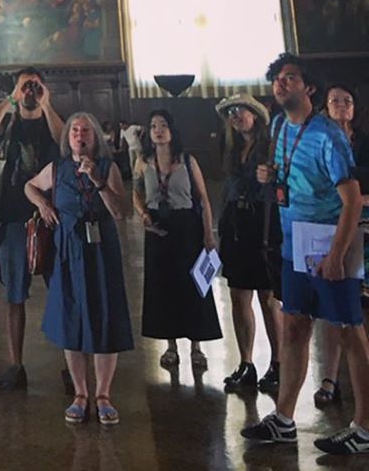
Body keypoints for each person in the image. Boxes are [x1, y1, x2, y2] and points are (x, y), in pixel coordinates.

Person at [241, 53, 369, 454]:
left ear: (308, 88)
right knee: (294, 325)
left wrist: (336, 254)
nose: (281, 84)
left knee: (349, 330)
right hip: (295, 243)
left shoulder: (328, 134)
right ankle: (284, 419)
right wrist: (269, 175)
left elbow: (351, 202)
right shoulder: (278, 126)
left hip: (331, 243)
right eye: (278, 79)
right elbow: (287, 177)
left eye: (290, 78)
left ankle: (364, 426)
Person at [25, 111, 132, 427]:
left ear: (95, 136)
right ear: (67, 137)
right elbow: (29, 186)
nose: (79, 134)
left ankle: (103, 394)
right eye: (74, 130)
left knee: (104, 316)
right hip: (68, 251)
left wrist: (98, 180)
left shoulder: (108, 168)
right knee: (71, 317)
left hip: (101, 252)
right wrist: (42, 204)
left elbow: (120, 212)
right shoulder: (57, 169)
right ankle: (80, 393)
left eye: (86, 130)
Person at [0, 67, 64, 390]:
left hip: (52, 216)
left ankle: (71, 363)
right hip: (13, 217)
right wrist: (10, 101)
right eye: (24, 86)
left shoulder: (50, 119)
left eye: (35, 85)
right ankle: (16, 364)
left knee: (61, 290)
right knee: (15, 294)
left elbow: (63, 139)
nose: (30, 91)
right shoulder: (10, 121)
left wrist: (47, 103)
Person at [133, 109, 221, 370]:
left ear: (172, 130)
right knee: (163, 287)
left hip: (187, 228)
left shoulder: (187, 160)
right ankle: (170, 346)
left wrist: (208, 233)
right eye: (153, 126)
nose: (158, 130)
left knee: (193, 286)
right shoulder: (142, 160)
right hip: (158, 228)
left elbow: (203, 199)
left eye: (163, 125)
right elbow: (136, 193)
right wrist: (144, 214)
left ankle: (196, 346)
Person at [213, 94, 282, 395]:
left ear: (256, 115)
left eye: (241, 111)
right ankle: (246, 363)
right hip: (236, 225)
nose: (236, 116)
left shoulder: (270, 146)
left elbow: (284, 183)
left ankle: (278, 364)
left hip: (263, 225)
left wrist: (273, 177)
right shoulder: (232, 149)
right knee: (238, 295)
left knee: (267, 298)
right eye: (231, 113)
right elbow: (227, 189)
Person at [314, 83, 369, 407]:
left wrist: (357, 200)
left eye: (347, 101)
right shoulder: (318, 142)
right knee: (332, 308)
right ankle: (329, 379)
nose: (341, 106)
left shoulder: (364, 143)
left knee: (362, 307)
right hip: (327, 229)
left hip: (363, 229)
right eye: (334, 100)